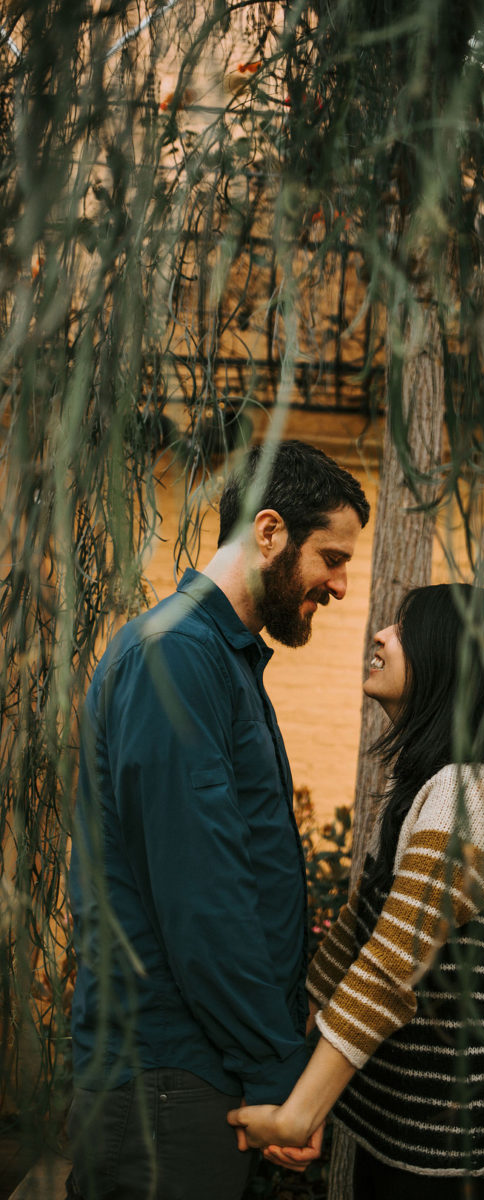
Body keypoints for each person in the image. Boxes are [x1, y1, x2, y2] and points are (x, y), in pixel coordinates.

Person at [66, 440, 370, 1200]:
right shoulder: (177, 658)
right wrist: (278, 1074)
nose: (339, 585)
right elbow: (201, 894)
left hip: (192, 1075)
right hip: (166, 1081)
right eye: (331, 558)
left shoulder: (218, 659)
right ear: (268, 533)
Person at [228, 583, 484, 1198]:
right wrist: (302, 1089)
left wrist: (298, 1112)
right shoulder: (430, 788)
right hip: (405, 1148)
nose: (380, 635)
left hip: (457, 1167)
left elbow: (391, 965)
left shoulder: (470, 796)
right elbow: (355, 939)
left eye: (405, 630)